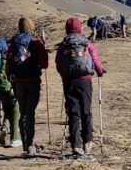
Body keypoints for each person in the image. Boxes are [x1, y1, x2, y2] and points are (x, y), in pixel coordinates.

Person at [55, 17, 105, 158]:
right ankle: (87, 141)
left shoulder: (63, 45)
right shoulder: (86, 43)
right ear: (80, 28)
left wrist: (64, 74)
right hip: (85, 80)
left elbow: (58, 63)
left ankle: (76, 145)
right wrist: (100, 71)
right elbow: (95, 59)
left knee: (73, 112)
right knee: (86, 110)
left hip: (69, 81)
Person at [6, 17, 49, 157]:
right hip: (33, 81)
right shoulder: (35, 42)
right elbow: (45, 64)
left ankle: (25, 143)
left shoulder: (13, 43)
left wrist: (11, 79)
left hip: (18, 82)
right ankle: (30, 144)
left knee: (23, 112)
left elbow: (8, 65)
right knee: (30, 113)